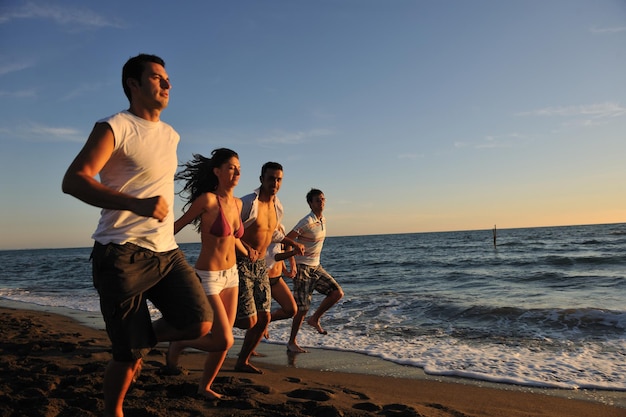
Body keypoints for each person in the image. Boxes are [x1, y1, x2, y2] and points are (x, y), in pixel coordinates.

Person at [61, 54, 213, 417]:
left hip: (166, 251)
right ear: (133, 83)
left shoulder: (171, 134)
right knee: (127, 358)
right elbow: (74, 180)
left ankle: (138, 341)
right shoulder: (115, 126)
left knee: (198, 321)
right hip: (120, 253)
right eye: (158, 78)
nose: (167, 85)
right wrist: (137, 205)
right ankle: (112, 410)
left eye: (168, 79)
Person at [165, 149, 250, 400]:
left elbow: (232, 238)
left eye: (239, 168)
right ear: (217, 171)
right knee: (223, 340)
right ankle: (179, 342)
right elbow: (176, 227)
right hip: (209, 276)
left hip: (232, 276)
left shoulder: (238, 203)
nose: (237, 172)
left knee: (224, 337)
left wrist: (249, 250)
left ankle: (205, 387)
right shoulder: (207, 201)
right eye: (231, 167)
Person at [234, 162, 304, 374]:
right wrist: (247, 249)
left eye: (279, 179)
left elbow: (272, 233)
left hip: (261, 268)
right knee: (247, 320)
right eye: (271, 178)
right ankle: (208, 332)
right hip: (240, 264)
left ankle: (242, 361)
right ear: (261, 179)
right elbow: (230, 230)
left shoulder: (277, 206)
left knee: (263, 318)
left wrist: (292, 244)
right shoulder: (247, 202)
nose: (275, 183)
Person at [286, 189, 344, 353]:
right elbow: (286, 241)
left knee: (336, 293)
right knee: (302, 308)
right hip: (303, 267)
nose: (322, 202)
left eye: (323, 199)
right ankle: (292, 342)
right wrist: (292, 263)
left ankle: (315, 319)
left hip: (316, 266)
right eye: (317, 200)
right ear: (310, 203)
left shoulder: (322, 219)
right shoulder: (307, 222)